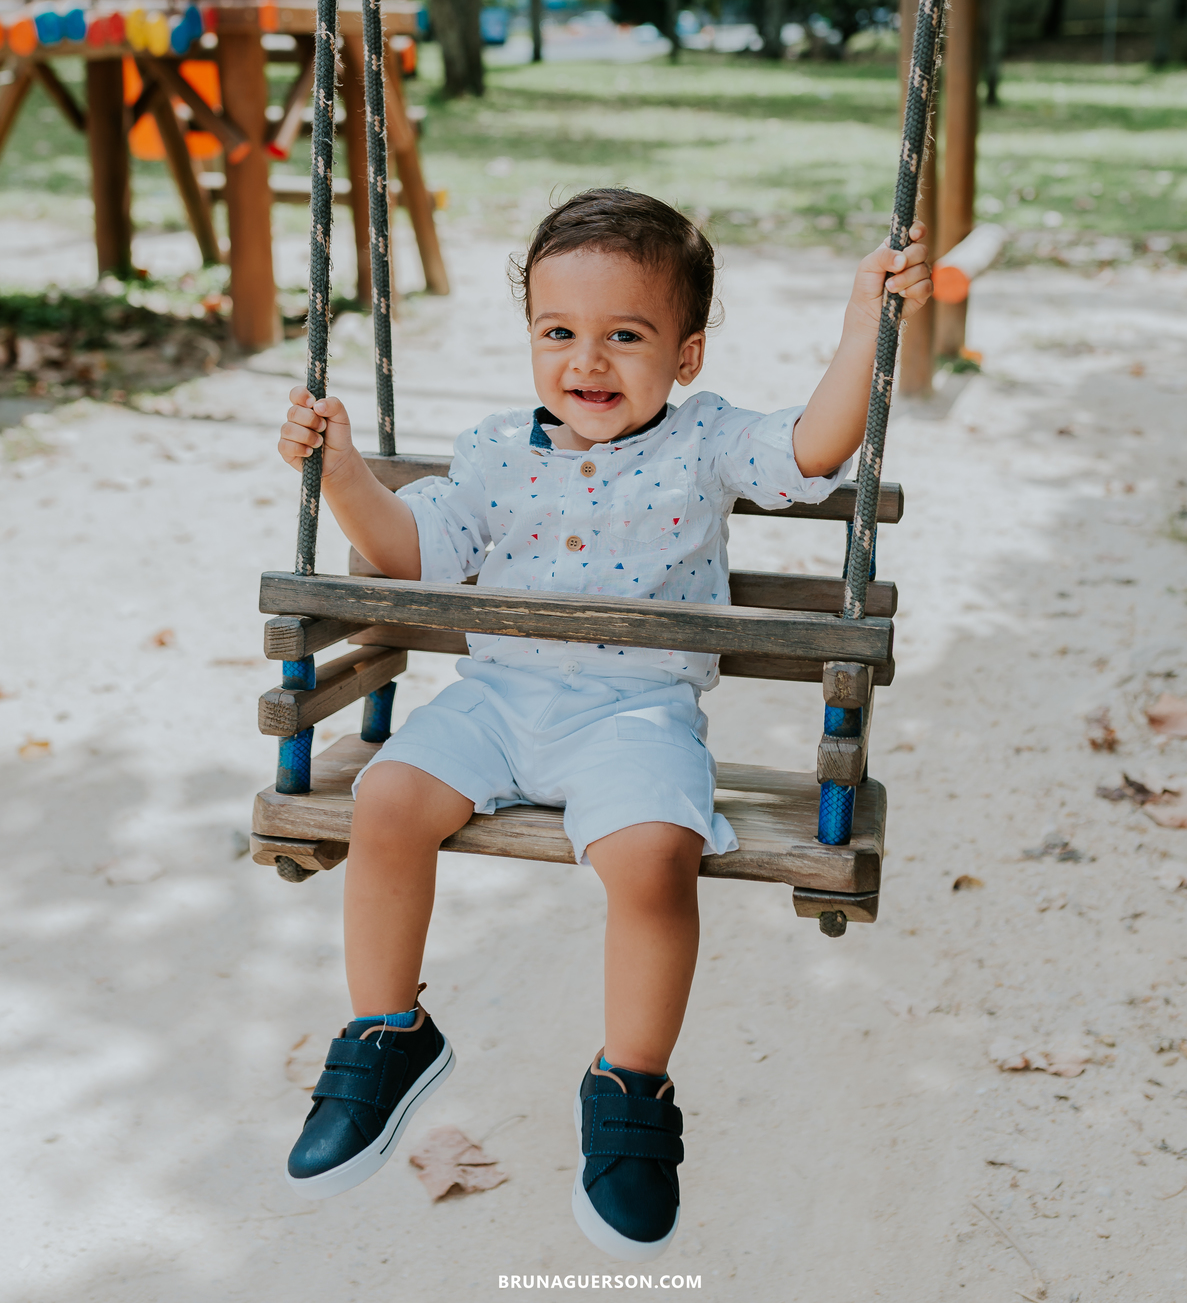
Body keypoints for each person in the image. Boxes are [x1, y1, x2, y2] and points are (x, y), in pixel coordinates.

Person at [276, 188, 930, 1261]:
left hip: (635, 714)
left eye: (625, 335)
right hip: (498, 700)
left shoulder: (709, 442)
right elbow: (410, 556)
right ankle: (389, 1031)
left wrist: (867, 323)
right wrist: (340, 471)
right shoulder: (494, 450)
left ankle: (631, 1086)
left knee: (654, 857)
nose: (587, 360)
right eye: (559, 332)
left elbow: (813, 449)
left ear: (686, 354)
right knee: (386, 799)